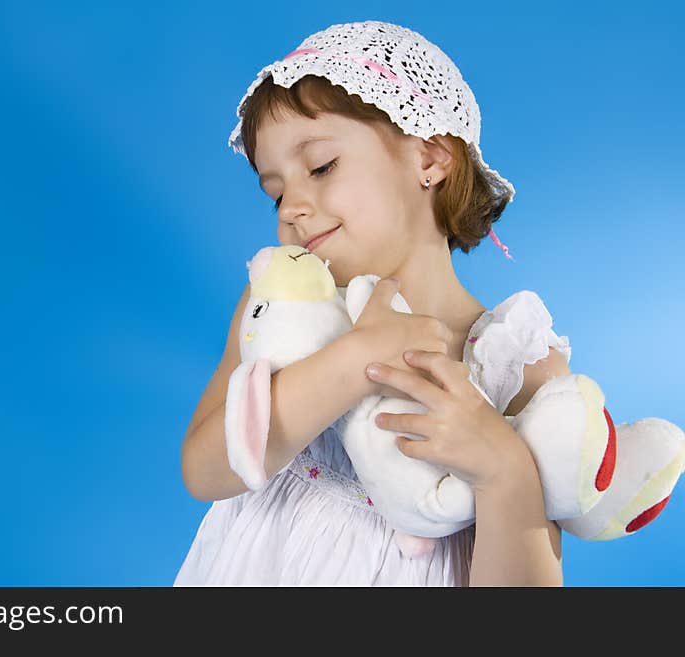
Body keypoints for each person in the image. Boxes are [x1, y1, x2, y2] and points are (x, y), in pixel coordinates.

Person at [175, 20, 571, 586]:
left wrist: (504, 475)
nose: (292, 207)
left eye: (321, 167)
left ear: (430, 159)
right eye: (277, 191)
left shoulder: (517, 363)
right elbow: (205, 469)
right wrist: (352, 360)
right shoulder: (282, 307)